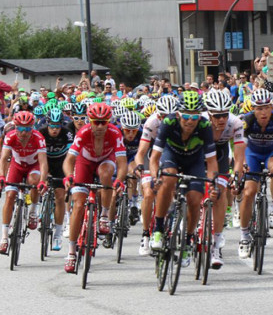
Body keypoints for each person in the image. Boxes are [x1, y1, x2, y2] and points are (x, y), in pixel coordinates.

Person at [148, 92, 219, 268]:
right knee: (168, 179)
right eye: (186, 115)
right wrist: (155, 176)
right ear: (179, 114)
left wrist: (212, 184)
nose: (190, 121)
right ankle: (158, 229)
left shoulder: (204, 126)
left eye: (194, 116)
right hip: (171, 155)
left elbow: (211, 163)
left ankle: (187, 242)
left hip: (194, 160)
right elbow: (154, 158)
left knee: (195, 199)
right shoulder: (168, 122)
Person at [62, 103, 126, 272]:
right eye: (95, 122)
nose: (99, 126)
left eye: (103, 122)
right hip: (85, 163)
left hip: (106, 160)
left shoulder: (114, 133)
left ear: (108, 121)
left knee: (106, 173)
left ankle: (104, 214)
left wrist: (119, 180)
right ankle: (71, 252)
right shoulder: (83, 132)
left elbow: (122, 162)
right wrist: (69, 176)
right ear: (89, 121)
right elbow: (69, 160)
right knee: (78, 205)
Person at [238, 89, 273, 259]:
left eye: (267, 108)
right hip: (252, 154)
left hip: (272, 151)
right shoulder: (247, 121)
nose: (263, 112)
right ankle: (245, 237)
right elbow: (240, 149)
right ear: (253, 109)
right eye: (259, 108)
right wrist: (244, 165)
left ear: (271, 107)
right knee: (248, 193)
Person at [204, 90, 246, 269]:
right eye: (217, 115)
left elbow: (238, 156)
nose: (222, 119)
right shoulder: (201, 122)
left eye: (225, 114)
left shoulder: (235, 123)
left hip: (221, 152)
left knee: (220, 192)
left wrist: (236, 176)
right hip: (200, 151)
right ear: (209, 114)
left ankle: (216, 242)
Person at [0, 111, 48, 255]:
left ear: (32, 128)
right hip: (17, 166)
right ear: (15, 126)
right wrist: (1, 176)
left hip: (33, 166)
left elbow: (43, 163)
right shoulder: (10, 136)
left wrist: (43, 181)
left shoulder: (39, 138)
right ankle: (4, 237)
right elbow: (4, 158)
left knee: (34, 181)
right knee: (10, 195)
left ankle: (33, 211)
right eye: (20, 128)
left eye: (27, 129)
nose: (23, 132)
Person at [133, 95, 180, 256]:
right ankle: (146, 234)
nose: (165, 120)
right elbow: (141, 152)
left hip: (173, 154)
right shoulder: (151, 123)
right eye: (162, 116)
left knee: (175, 188)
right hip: (152, 155)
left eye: (170, 117)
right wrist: (140, 165)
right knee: (148, 193)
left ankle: (172, 226)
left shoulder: (182, 122)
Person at [39, 108, 73, 252]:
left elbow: (72, 156)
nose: (54, 129)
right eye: (52, 126)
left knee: (60, 197)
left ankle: (58, 234)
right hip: (44, 160)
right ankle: (41, 207)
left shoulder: (67, 133)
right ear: (47, 124)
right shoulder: (41, 132)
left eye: (57, 126)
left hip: (60, 162)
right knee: (41, 182)